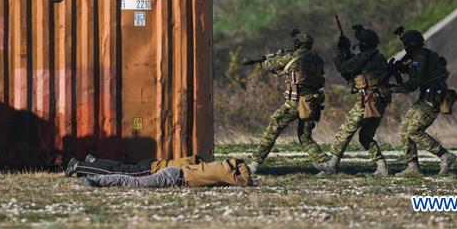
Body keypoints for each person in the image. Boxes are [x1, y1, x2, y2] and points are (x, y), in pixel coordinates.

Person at [250, 30, 330, 171]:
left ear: (297, 44)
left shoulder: (293, 56)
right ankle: (324, 164)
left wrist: (264, 62)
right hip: (311, 103)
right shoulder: (318, 60)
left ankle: (255, 163)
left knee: (273, 128)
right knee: (305, 137)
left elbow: (271, 65)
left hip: (294, 103)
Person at [317, 25, 391, 176]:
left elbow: (345, 67)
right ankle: (382, 166)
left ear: (364, 44)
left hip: (367, 100)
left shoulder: (367, 56)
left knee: (344, 131)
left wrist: (342, 51)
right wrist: (347, 52)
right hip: (378, 100)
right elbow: (354, 72)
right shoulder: (378, 56)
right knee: (365, 136)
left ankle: (332, 165)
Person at [392, 28, 457, 176]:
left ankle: (445, 156)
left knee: (414, 130)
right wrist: (402, 68)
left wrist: (395, 88)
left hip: (432, 99)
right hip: (426, 98)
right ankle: (412, 167)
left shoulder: (419, 57)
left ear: (410, 45)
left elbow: (414, 82)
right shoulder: (424, 55)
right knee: (404, 129)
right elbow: (421, 73)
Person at [79, 158, 253, 189]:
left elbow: (237, 162)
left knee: (132, 176)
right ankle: (98, 180)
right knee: (134, 182)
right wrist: (246, 170)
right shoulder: (225, 172)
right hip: (174, 177)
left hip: (175, 173)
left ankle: (98, 177)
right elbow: (245, 182)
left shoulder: (222, 165)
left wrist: (240, 164)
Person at [64, 154, 202, 177]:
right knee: (117, 173)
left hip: (152, 164)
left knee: (120, 167)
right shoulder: (194, 165)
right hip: (150, 169)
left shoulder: (191, 160)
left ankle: (95, 162)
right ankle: (78, 166)